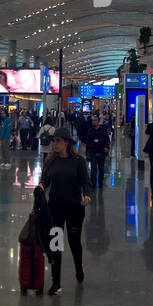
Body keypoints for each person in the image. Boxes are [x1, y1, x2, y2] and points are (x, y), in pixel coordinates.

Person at [39, 126, 92, 295]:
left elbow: (86, 182)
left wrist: (87, 195)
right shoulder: (50, 161)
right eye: (54, 141)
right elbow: (44, 181)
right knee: (56, 244)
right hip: (55, 209)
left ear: (67, 143)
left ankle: (78, 267)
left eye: (58, 141)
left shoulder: (78, 162)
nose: (54, 144)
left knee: (74, 242)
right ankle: (56, 282)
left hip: (75, 208)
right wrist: (40, 188)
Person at [82, 113, 111, 188]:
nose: (93, 122)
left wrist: (106, 147)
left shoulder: (103, 130)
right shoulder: (90, 131)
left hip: (101, 153)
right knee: (93, 170)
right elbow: (87, 142)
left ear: (98, 121)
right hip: (93, 152)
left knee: (101, 169)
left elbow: (107, 140)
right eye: (92, 121)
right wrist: (87, 153)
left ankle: (100, 182)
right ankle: (93, 184)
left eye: (95, 120)